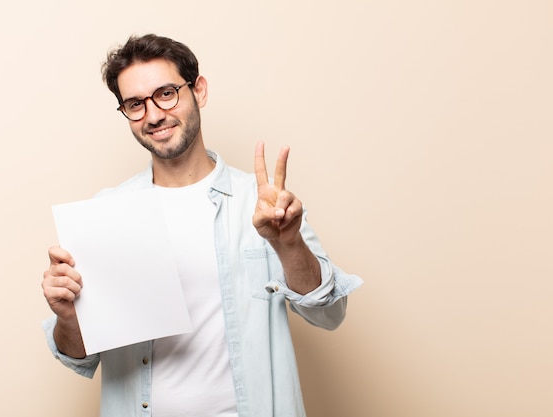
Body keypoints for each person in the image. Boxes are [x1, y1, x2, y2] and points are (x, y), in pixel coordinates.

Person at [41, 34, 362, 417]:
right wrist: (68, 317)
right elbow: (78, 355)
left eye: (166, 93)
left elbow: (329, 313)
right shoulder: (107, 213)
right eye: (135, 104)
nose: (155, 115)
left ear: (199, 91)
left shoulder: (259, 202)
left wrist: (289, 243)